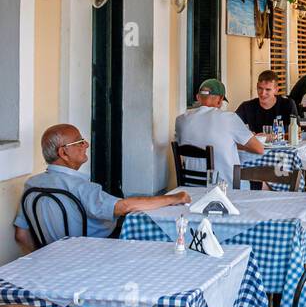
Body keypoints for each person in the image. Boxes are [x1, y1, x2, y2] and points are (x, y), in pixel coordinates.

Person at [13, 124, 191, 252]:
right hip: (95, 251)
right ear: (63, 152)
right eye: (79, 142)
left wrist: (43, 257)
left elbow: (21, 235)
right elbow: (124, 207)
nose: (86, 145)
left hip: (54, 257)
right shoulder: (81, 187)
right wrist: (174, 198)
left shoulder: (32, 185)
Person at [175, 79, 264, 186]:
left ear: (198, 97)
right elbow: (259, 149)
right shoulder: (229, 118)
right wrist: (235, 143)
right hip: (226, 187)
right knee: (269, 184)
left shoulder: (181, 120)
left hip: (191, 186)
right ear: (220, 99)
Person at [236, 69, 299, 134]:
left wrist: (273, 137)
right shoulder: (247, 107)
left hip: (281, 143)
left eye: (268, 89)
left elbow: (297, 132)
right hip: (255, 143)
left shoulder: (288, 105)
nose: (263, 93)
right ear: (257, 86)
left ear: (276, 90)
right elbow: (232, 125)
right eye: (260, 88)